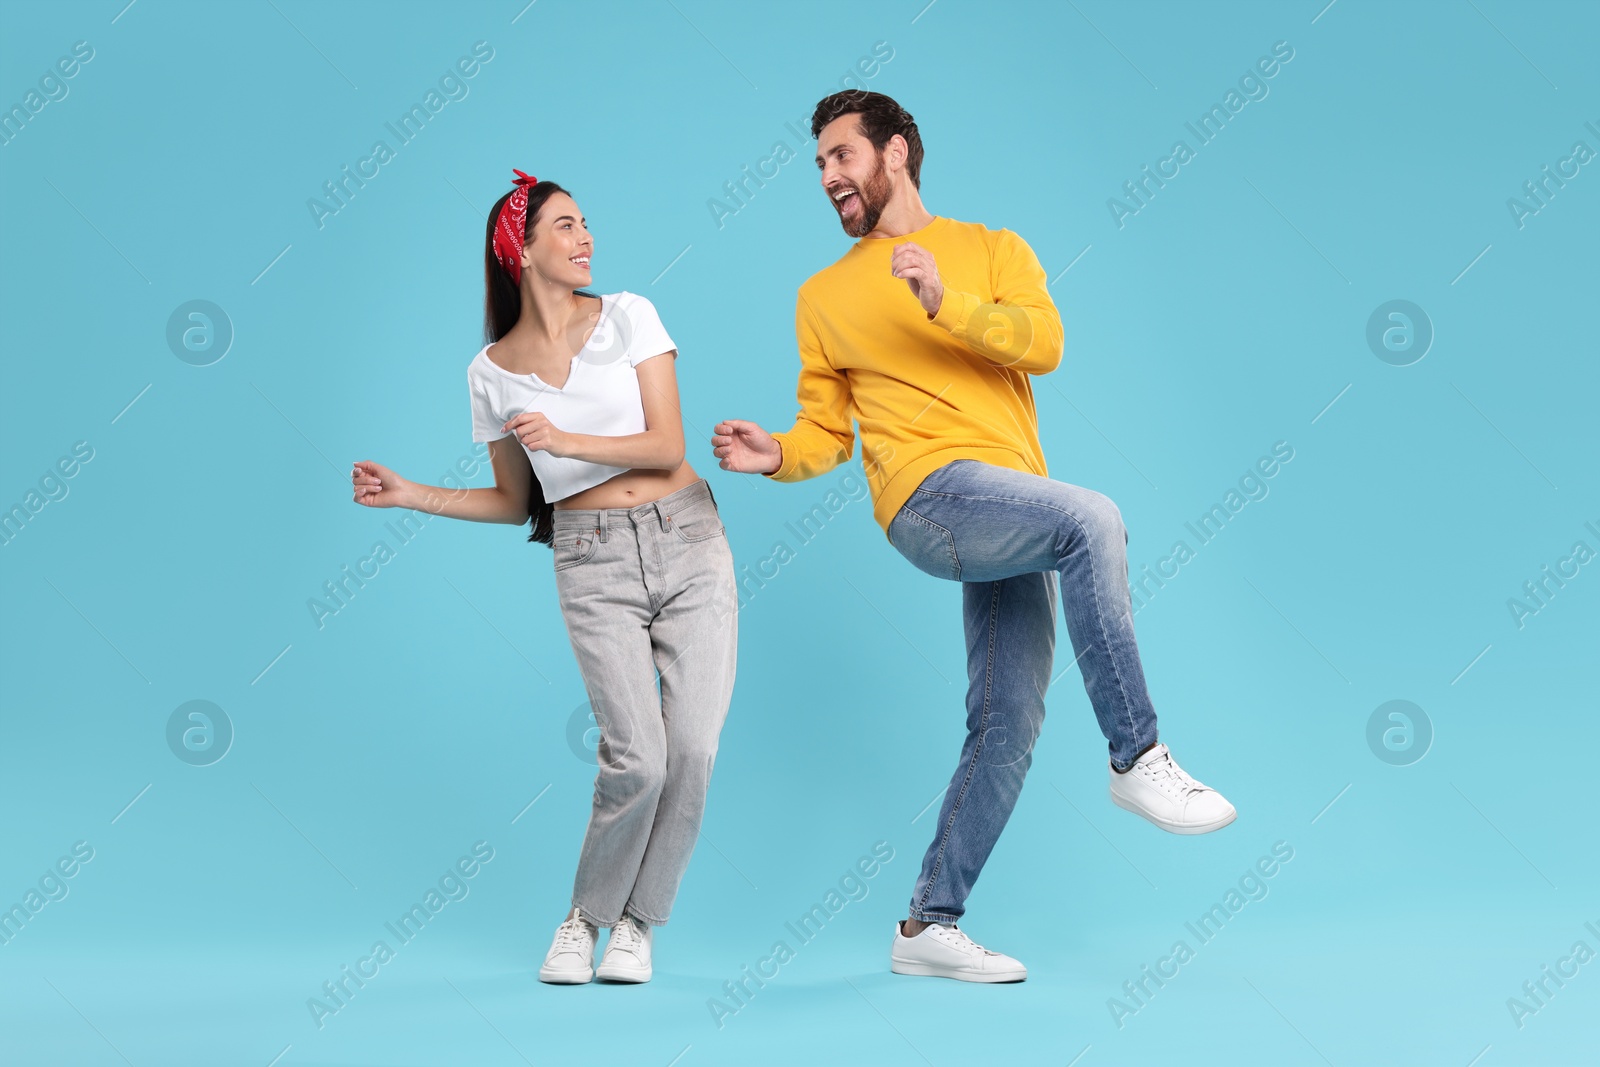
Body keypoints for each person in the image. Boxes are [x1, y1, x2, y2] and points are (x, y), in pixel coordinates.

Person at [711, 92, 1236, 983]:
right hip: (928, 499)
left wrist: (946, 302)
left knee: (1005, 725)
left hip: (1006, 504)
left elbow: (1043, 343)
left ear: (897, 153)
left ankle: (927, 926)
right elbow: (827, 434)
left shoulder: (993, 249)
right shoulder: (823, 296)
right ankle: (1138, 754)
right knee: (1093, 517)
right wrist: (778, 455)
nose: (830, 176)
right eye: (821, 166)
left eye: (843, 156)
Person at [351, 169, 737, 985]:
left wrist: (566, 439)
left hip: (690, 541)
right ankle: (584, 917)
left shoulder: (631, 314)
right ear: (519, 251)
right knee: (637, 756)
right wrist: (411, 493)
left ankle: (638, 921)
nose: (585, 236)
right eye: (565, 225)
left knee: (693, 750)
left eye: (585, 221)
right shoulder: (489, 372)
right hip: (590, 557)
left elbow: (666, 445)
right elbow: (512, 499)